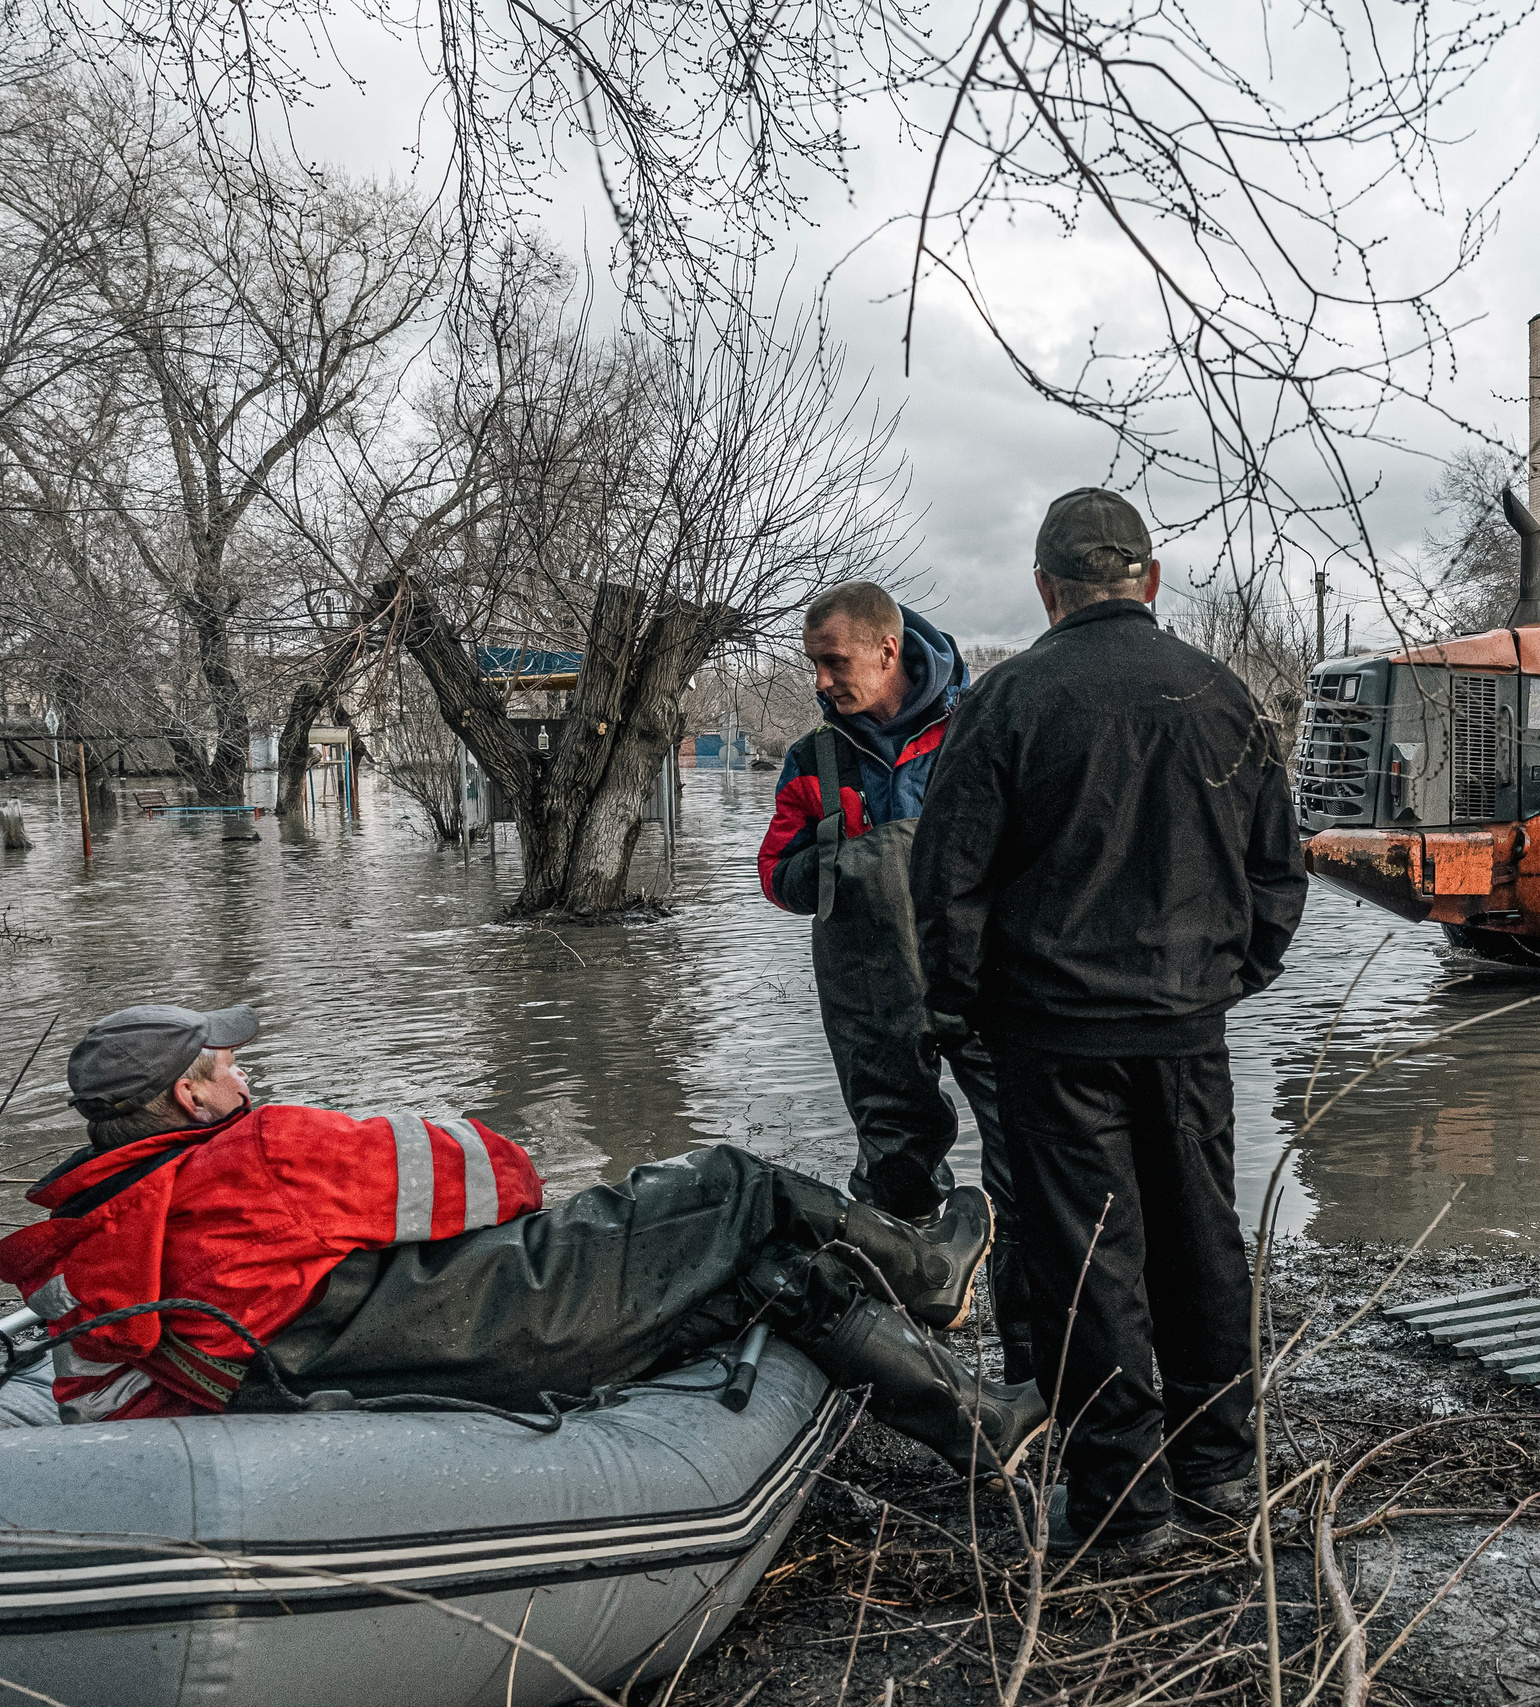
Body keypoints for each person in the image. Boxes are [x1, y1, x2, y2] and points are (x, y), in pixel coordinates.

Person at [0, 1001, 1047, 1478]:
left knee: (771, 1276)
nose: (243, 1072)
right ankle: (933, 1268)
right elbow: (501, 1176)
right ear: (188, 1093)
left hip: (390, 1367)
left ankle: (983, 1425)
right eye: (224, 1063)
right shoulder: (261, 1151)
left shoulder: (86, 1251)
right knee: (734, 1185)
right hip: (500, 1318)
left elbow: (111, 1404)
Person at [911, 488, 1307, 1558]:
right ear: (1150, 581)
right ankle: (1220, 1471)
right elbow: (1280, 868)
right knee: (1199, 1241)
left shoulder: (1007, 702)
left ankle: (1122, 1506)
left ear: (1047, 591)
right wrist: (1230, 976)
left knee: (1087, 1261)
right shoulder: (1222, 697)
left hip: (1054, 1036)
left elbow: (945, 883)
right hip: (1187, 1028)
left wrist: (956, 1007)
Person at [759, 582, 1036, 1384]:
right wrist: (846, 859)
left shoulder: (978, 728)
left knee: (1024, 1165)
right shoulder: (814, 759)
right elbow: (776, 875)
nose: (819, 682)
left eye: (833, 661)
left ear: (889, 650)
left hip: (988, 986)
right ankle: (922, 1373)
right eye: (812, 663)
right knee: (894, 1179)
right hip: (872, 1000)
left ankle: (1033, 1369)